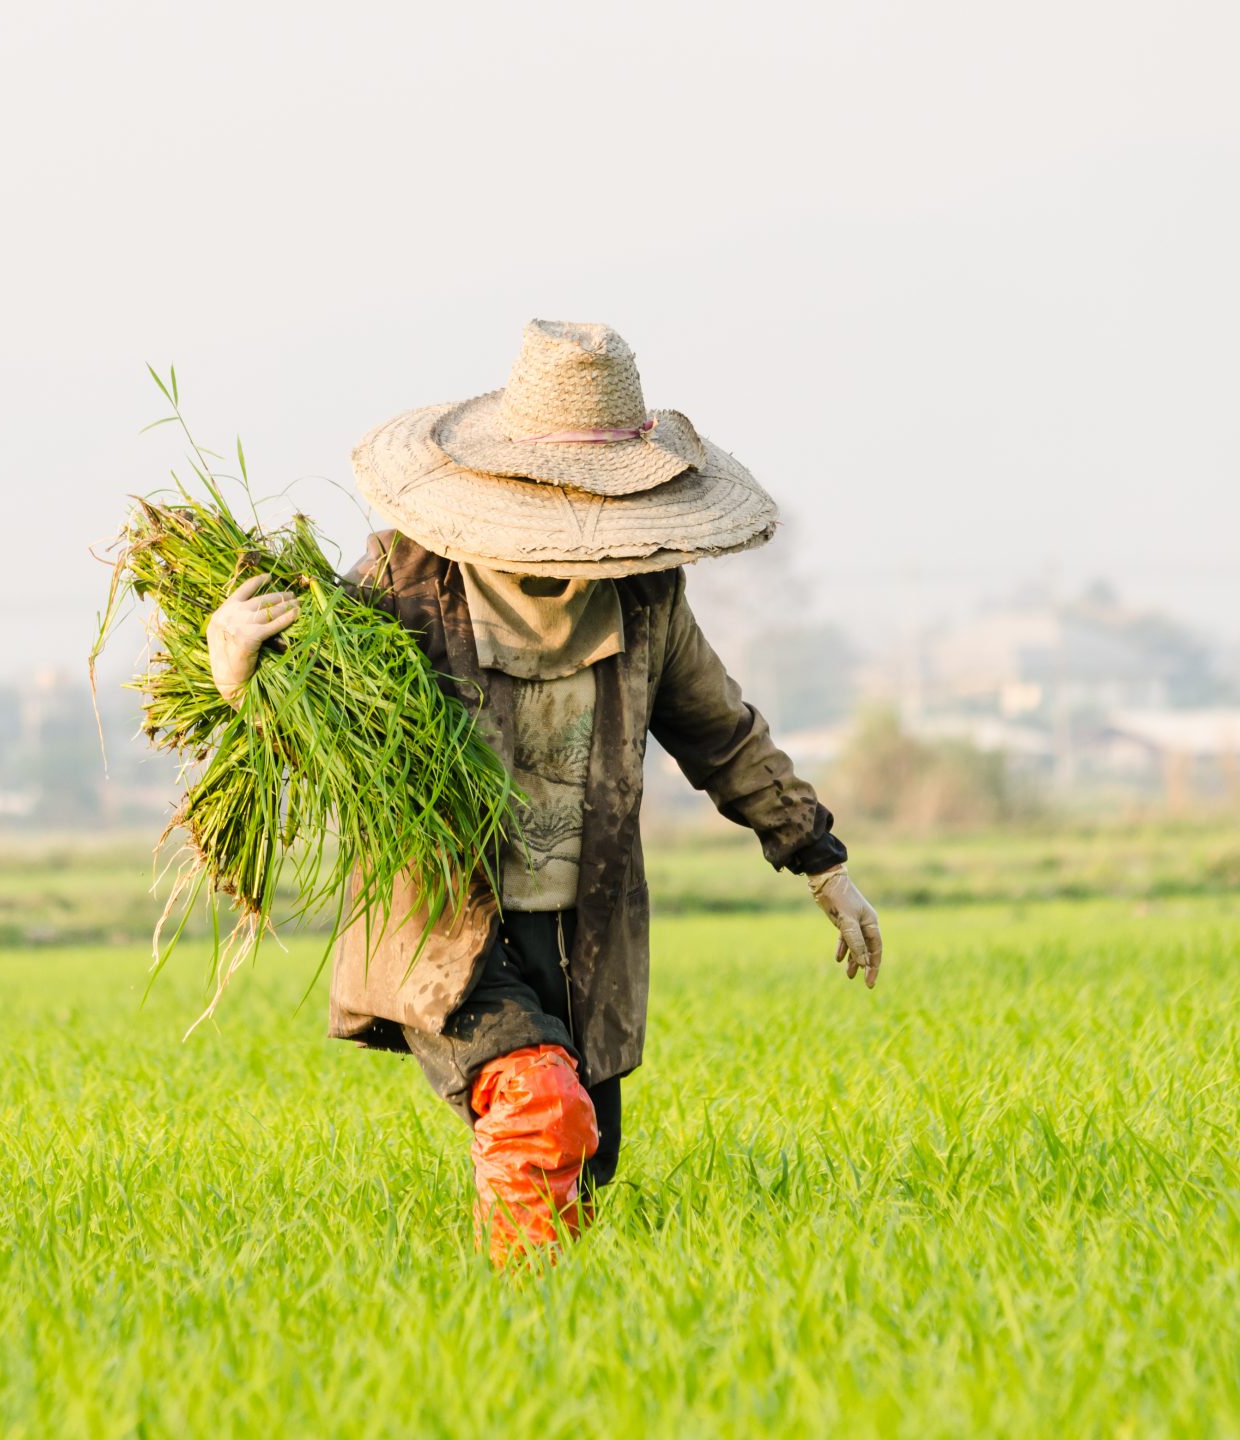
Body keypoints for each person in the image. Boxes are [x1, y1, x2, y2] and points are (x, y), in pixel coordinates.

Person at [206, 321, 883, 1266]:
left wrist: (823, 865)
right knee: (540, 1106)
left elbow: (722, 734)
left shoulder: (644, 598)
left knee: (583, 1157)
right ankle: (525, 1332)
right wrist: (239, 674)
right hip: (445, 922)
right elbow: (327, 738)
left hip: (578, 927)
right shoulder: (403, 586)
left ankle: (566, 1346)